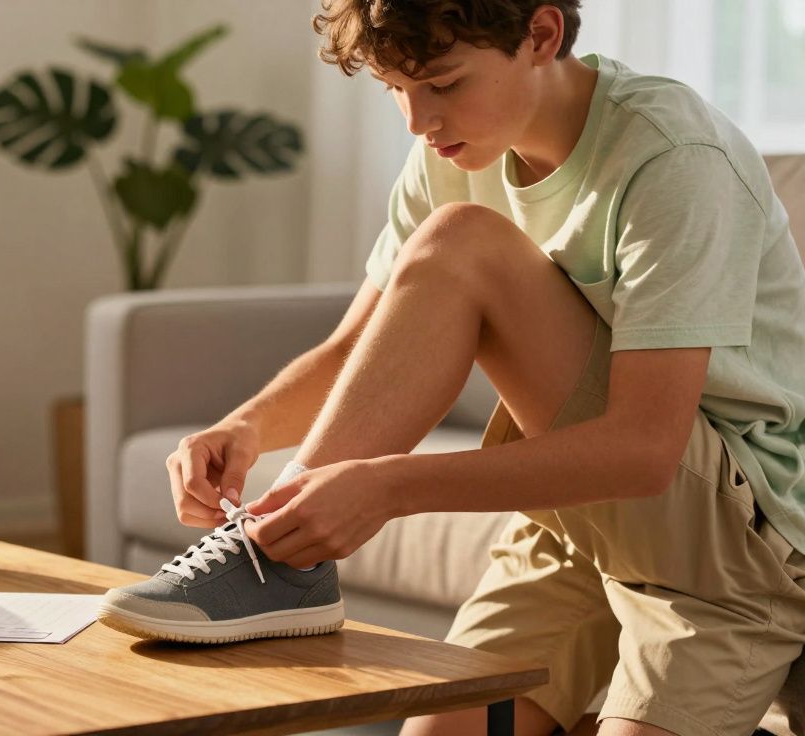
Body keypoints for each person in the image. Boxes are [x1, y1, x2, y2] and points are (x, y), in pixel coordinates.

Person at [97, 2, 805, 735]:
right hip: (575, 530)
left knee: (462, 241)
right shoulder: (454, 151)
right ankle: (282, 560)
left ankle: (277, 562)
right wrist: (246, 427)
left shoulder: (671, 156)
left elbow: (643, 450)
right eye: (396, 90)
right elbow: (358, 351)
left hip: (730, 549)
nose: (417, 120)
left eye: (443, 83)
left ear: (541, 35)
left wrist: (388, 488)